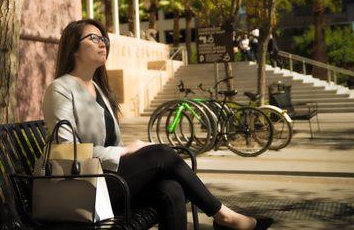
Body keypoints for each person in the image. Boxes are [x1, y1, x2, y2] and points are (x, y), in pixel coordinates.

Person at [42, 19, 274, 230]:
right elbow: (66, 149)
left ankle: (224, 218)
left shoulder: (99, 89)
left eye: (104, 38)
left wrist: (124, 151)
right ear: (74, 48)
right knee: (160, 153)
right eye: (94, 38)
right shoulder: (61, 88)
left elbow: (109, 142)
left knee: (171, 188)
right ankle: (224, 217)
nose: (103, 43)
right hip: (85, 188)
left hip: (109, 181)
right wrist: (123, 151)